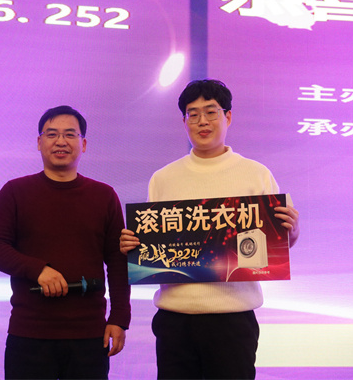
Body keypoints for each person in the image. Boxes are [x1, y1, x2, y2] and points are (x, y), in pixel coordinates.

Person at [120, 79, 300, 380]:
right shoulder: (163, 178)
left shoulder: (256, 174)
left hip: (233, 320)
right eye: (193, 114)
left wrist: (291, 233)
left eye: (211, 112)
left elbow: (277, 244)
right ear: (184, 122)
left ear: (227, 117)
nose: (202, 121)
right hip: (175, 321)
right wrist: (133, 245)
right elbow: (153, 246)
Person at [0, 105, 131, 380]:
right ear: (39, 142)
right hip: (29, 332)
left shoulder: (104, 196)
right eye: (52, 134)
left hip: (89, 334)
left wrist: (120, 317)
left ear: (83, 144)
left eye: (70, 134)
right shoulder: (15, 191)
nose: (61, 141)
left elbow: (117, 260)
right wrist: (38, 269)